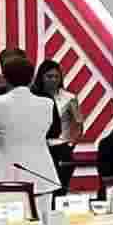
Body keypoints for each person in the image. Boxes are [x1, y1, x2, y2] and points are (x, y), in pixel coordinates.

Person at [0, 48, 58, 200]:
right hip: (41, 176)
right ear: (32, 78)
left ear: (4, 79)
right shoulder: (47, 103)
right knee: (42, 215)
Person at [34, 59, 81, 193]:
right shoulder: (33, 96)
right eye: (49, 76)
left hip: (61, 148)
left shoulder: (70, 98)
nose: (53, 80)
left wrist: (70, 145)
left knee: (61, 189)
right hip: (39, 147)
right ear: (41, 77)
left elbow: (78, 123)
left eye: (56, 76)